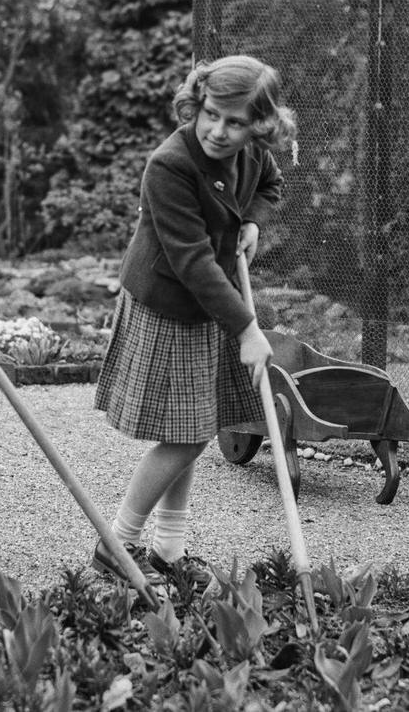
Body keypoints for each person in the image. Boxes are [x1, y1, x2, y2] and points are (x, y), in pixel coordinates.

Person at [93, 54, 297, 590]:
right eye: (211, 115)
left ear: (259, 124)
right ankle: (118, 544)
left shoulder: (251, 153)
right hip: (170, 303)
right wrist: (248, 330)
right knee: (186, 433)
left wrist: (252, 220)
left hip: (207, 305)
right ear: (198, 104)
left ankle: (167, 548)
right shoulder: (170, 165)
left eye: (235, 122)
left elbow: (270, 186)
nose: (218, 131)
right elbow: (194, 262)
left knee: (191, 427)